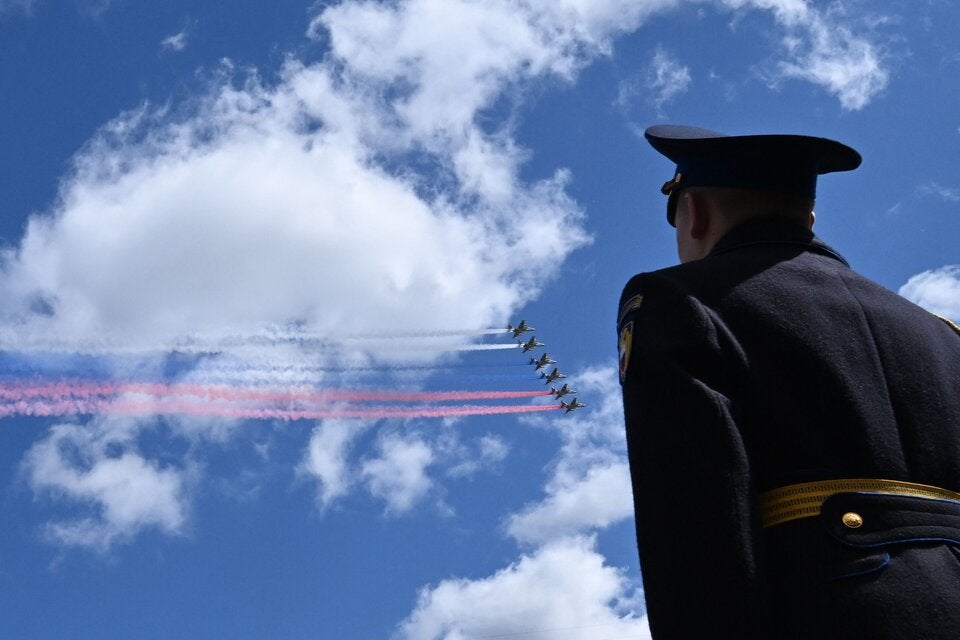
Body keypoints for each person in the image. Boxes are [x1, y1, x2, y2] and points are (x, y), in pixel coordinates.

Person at [617, 124, 960, 639]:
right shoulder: (943, 333)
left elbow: (695, 531)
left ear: (694, 214)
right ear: (810, 216)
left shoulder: (680, 300)